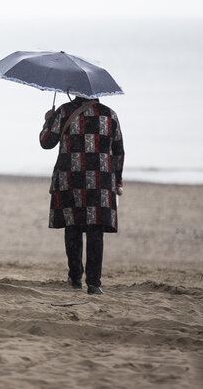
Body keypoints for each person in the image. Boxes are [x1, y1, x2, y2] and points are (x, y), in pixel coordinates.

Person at [39, 94, 124, 295]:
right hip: (100, 182)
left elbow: (46, 142)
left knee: (73, 227)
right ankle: (94, 283)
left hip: (70, 178)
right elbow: (118, 151)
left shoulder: (64, 111)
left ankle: (75, 278)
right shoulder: (110, 115)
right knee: (96, 231)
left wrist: (48, 120)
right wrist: (117, 179)